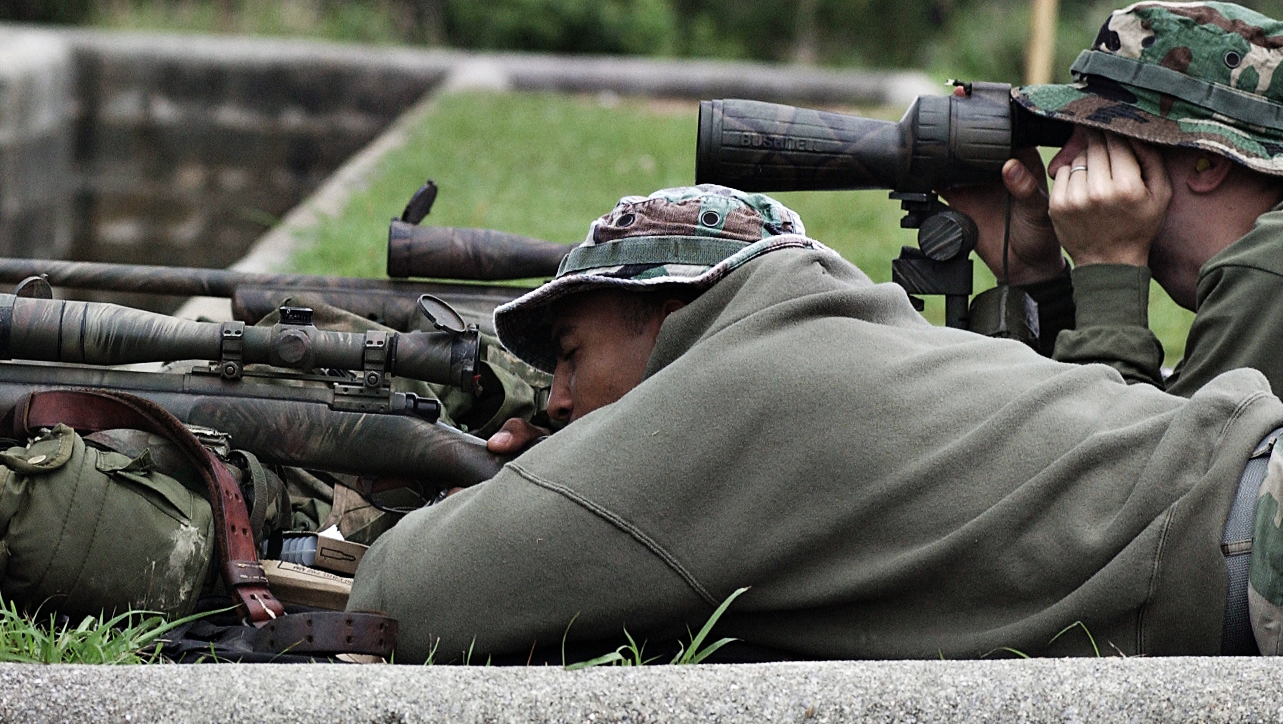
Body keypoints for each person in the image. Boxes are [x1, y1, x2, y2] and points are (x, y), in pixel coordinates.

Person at [346, 185, 1283, 662]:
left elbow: (406, 599)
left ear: (668, 312)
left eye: (571, 353)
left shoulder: (729, 396)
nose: (553, 398)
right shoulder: (840, 339)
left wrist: (514, 491)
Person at [944, 0, 1283, 395]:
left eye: (1096, 137)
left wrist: (1109, 269)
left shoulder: (1269, 272)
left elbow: (1142, 456)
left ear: (1206, 161)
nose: (1058, 168)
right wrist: (1040, 280)